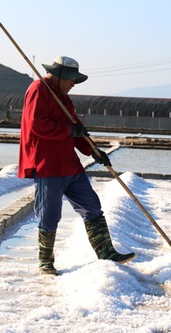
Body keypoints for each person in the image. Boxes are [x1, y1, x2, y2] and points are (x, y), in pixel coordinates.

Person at [18, 55, 135, 275]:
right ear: (60, 75)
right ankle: (45, 262)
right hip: (48, 164)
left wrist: (94, 151)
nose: (73, 84)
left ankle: (107, 252)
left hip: (70, 164)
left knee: (92, 206)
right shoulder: (38, 90)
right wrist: (69, 131)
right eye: (71, 79)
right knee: (49, 214)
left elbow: (77, 129)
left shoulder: (64, 99)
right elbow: (37, 125)